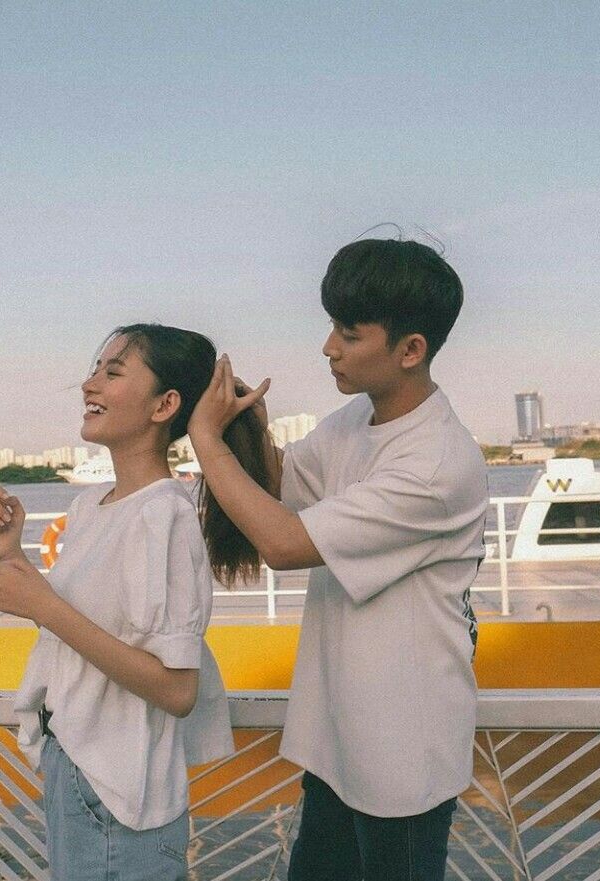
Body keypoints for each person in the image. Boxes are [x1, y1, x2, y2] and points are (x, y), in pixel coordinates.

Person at [187, 238, 489, 881]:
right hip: (338, 740)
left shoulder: (436, 462)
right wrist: (248, 425)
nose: (329, 347)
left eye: (349, 334)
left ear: (411, 349)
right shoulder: (354, 421)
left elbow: (284, 543)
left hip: (404, 752)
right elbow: (283, 485)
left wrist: (206, 441)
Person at [0, 323, 273, 881]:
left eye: (113, 372)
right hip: (75, 761)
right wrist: (10, 553)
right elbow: (76, 634)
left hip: (120, 793)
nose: (89, 383)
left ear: (164, 405)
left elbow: (176, 690)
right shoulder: (90, 508)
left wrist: (42, 603)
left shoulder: (165, 517)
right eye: (96, 370)